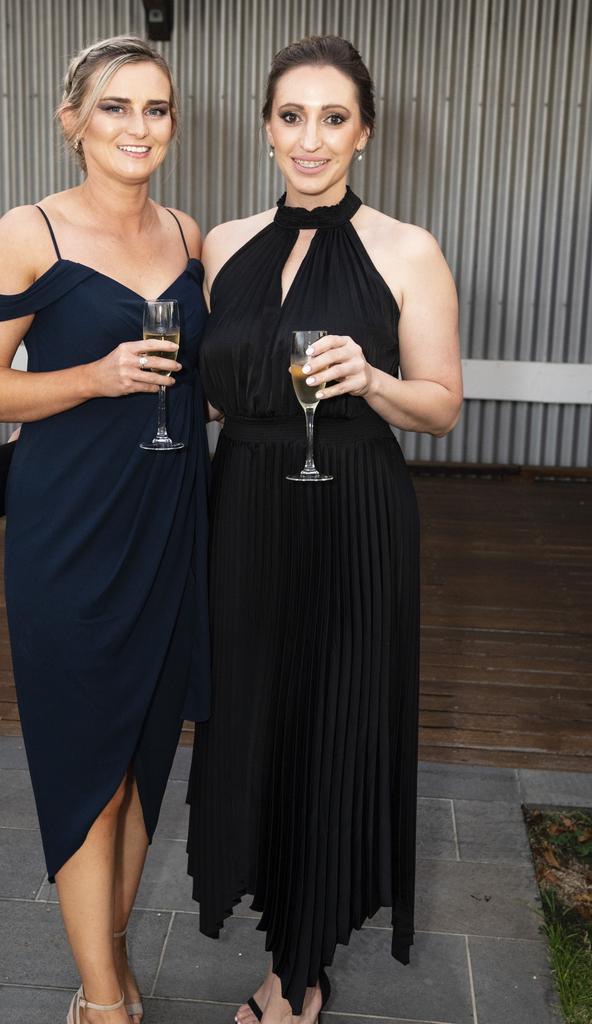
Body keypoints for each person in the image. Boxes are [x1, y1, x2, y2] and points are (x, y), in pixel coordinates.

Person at [186, 34, 462, 1024]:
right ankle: (278, 926)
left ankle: (298, 967)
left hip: (353, 513)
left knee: (334, 723)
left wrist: (374, 377)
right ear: (267, 129)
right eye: (292, 116)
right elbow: (219, 399)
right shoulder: (220, 245)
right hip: (246, 511)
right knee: (255, 722)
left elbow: (440, 406)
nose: (311, 138)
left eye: (333, 117)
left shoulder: (406, 248)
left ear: (365, 132)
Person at [0, 36, 210, 1024]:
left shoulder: (187, 235)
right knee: (86, 770)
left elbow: (201, 380)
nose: (139, 127)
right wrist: (97, 377)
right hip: (69, 534)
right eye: (115, 108)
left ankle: (103, 964)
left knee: (143, 766)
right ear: (74, 123)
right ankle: (105, 1007)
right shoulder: (29, 234)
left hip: (167, 525)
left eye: (156, 108)